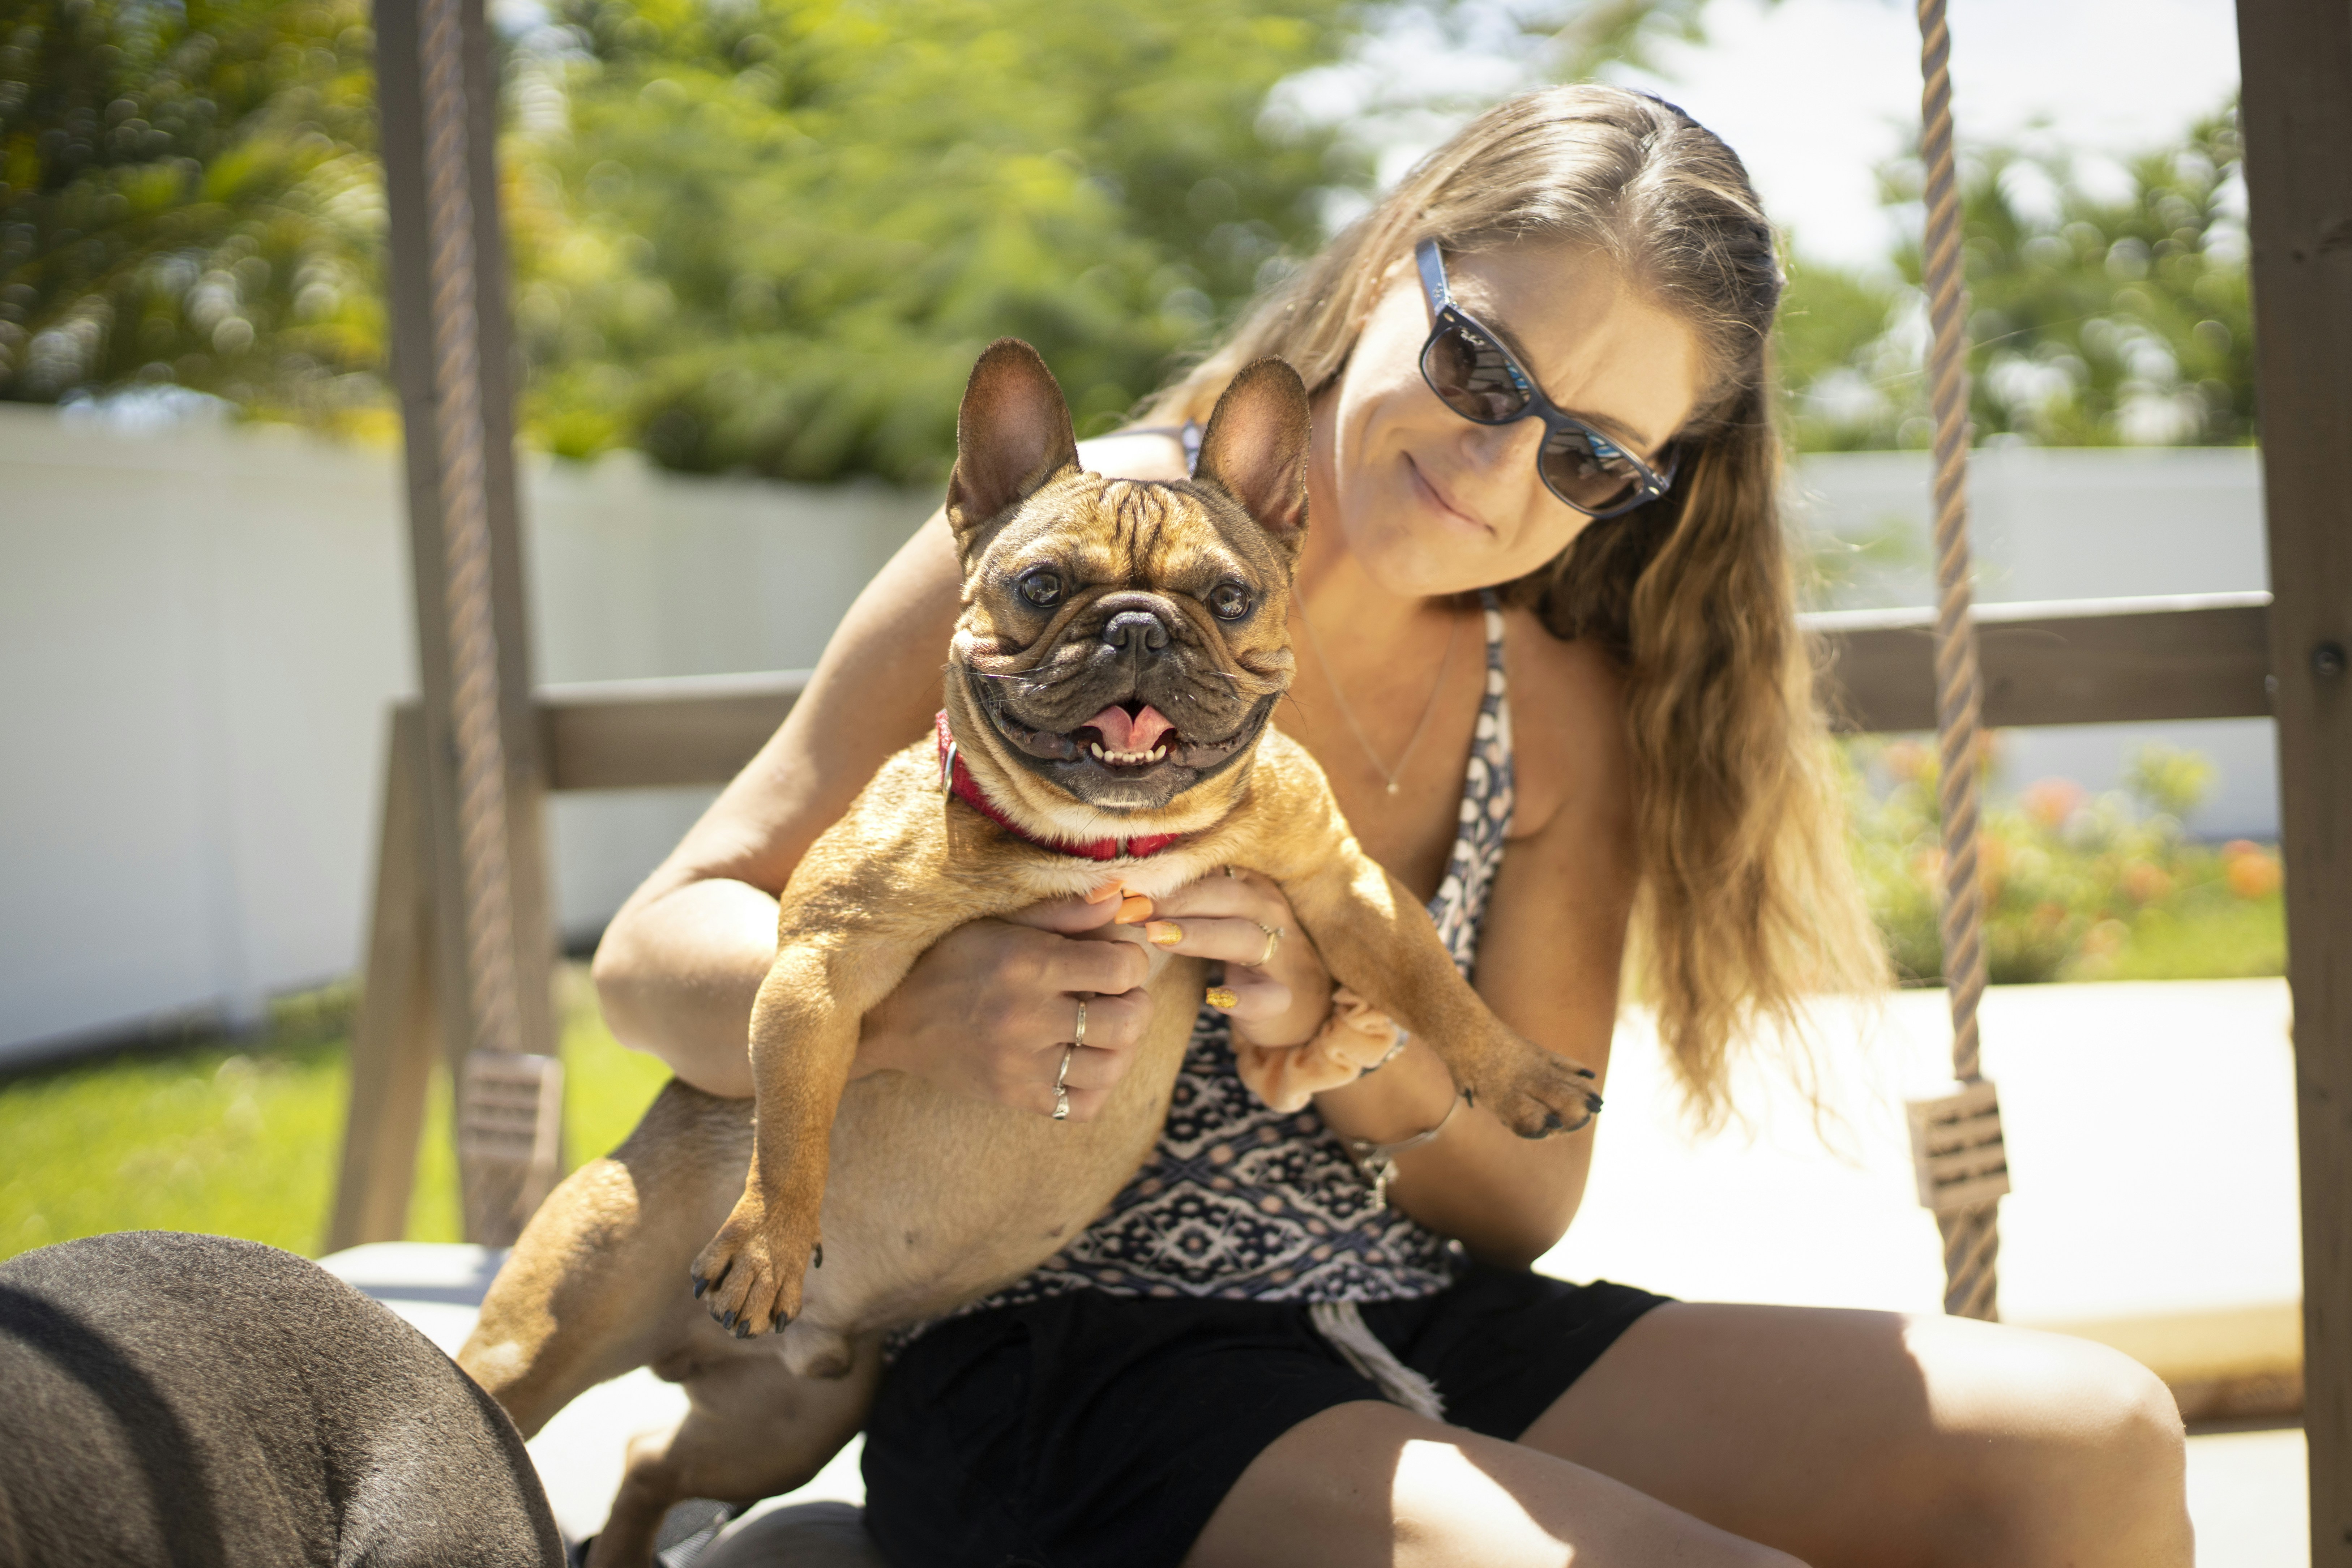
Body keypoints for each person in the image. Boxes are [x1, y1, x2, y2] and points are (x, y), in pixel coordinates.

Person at [592, 85, 2191, 1568]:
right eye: (1480, 367)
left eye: (1587, 454)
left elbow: (1518, 1199)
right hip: (1064, 1352)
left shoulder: (1553, 701)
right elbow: (658, 946)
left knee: (2095, 1438)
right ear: (1389, 271)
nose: (1497, 461)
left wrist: (1347, 1026)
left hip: (1411, 1309)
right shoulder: (1070, 552)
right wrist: (914, 1006)